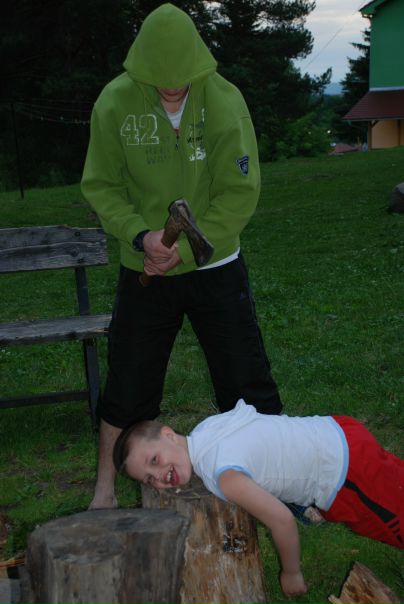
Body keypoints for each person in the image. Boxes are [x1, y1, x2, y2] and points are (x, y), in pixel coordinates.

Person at [81, 3, 282, 509]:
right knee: (128, 382)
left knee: (245, 379)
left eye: (182, 81)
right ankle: (105, 488)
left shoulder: (224, 100)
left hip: (216, 266)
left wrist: (189, 250)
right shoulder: (114, 103)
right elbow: (102, 186)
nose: (172, 89)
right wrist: (140, 236)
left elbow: (239, 191)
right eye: (160, 81)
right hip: (145, 268)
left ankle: (281, 482)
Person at [113, 399, 404, 598]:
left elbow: (282, 520)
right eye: (149, 479)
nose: (159, 476)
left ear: (168, 435)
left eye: (154, 460)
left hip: (346, 476)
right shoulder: (207, 429)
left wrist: (291, 572)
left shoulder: (223, 474)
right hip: (338, 432)